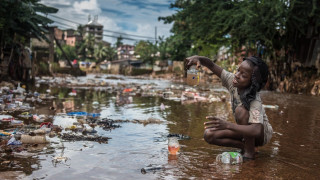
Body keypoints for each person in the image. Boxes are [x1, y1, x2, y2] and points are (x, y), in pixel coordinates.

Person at [186, 55, 273, 159]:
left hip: (262, 135)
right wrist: (199, 59)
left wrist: (227, 125)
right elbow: (212, 65)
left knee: (241, 111)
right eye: (238, 70)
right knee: (209, 134)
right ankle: (245, 147)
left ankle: (250, 153)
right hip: (246, 130)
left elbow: (257, 129)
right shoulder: (232, 81)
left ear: (252, 83)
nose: (237, 75)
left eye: (243, 75)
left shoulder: (254, 100)